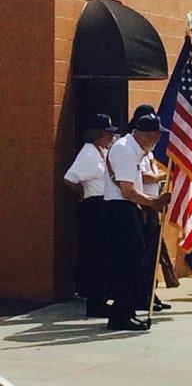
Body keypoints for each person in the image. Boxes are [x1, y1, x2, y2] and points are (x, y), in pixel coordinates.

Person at [104, 113, 171, 331]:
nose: (158, 139)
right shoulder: (125, 149)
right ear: (148, 135)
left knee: (135, 263)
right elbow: (127, 191)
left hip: (128, 210)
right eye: (156, 135)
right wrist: (153, 202)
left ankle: (126, 312)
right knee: (131, 264)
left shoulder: (135, 150)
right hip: (121, 210)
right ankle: (120, 315)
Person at [64, 113, 118, 318]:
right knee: (96, 256)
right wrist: (83, 194)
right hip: (93, 207)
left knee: (104, 256)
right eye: (108, 133)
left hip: (103, 206)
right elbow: (69, 179)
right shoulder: (88, 153)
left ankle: (102, 299)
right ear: (100, 134)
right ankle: (96, 303)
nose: (111, 137)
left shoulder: (101, 151)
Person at [128, 105, 174, 312]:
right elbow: (143, 176)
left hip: (152, 204)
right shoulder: (131, 148)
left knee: (153, 253)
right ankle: (141, 295)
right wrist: (166, 176)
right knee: (144, 255)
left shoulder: (146, 150)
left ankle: (149, 294)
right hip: (143, 206)